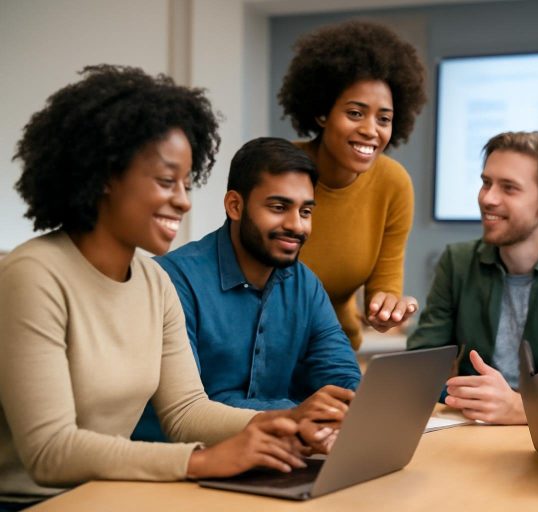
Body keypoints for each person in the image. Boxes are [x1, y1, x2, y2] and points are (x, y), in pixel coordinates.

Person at [0, 65, 322, 511]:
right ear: (106, 176)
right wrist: (201, 460)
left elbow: (187, 410)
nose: (185, 200)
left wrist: (287, 423)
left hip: (114, 495)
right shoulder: (33, 275)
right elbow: (50, 451)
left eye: (187, 184)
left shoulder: (154, 279)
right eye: (166, 181)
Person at [133, 137, 361, 442]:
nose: (297, 225)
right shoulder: (172, 280)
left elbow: (341, 377)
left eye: (306, 212)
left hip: (270, 458)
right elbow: (192, 411)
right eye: (279, 207)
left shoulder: (305, 285)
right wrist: (295, 415)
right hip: (179, 466)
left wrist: (359, 404)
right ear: (235, 206)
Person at [407, 131, 538, 425]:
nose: (488, 198)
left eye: (509, 188)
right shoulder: (457, 261)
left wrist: (511, 401)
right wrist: (469, 396)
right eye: (486, 183)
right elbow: (418, 368)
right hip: (470, 424)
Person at [277, 20, 427, 349]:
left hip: (335, 351)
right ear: (322, 114)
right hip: (263, 349)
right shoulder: (278, 170)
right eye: (356, 113)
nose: (371, 130)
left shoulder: (393, 184)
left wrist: (387, 310)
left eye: (383, 118)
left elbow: (384, 286)